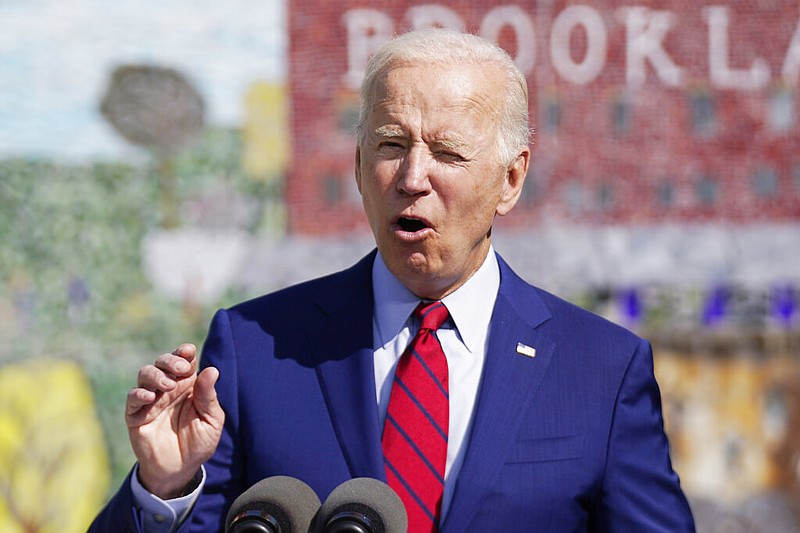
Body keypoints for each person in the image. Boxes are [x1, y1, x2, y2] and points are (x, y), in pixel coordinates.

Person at [90, 29, 695, 532]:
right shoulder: (255, 347)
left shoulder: (601, 369)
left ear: (511, 179)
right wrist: (164, 486)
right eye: (389, 145)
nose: (411, 177)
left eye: (448, 154)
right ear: (357, 167)